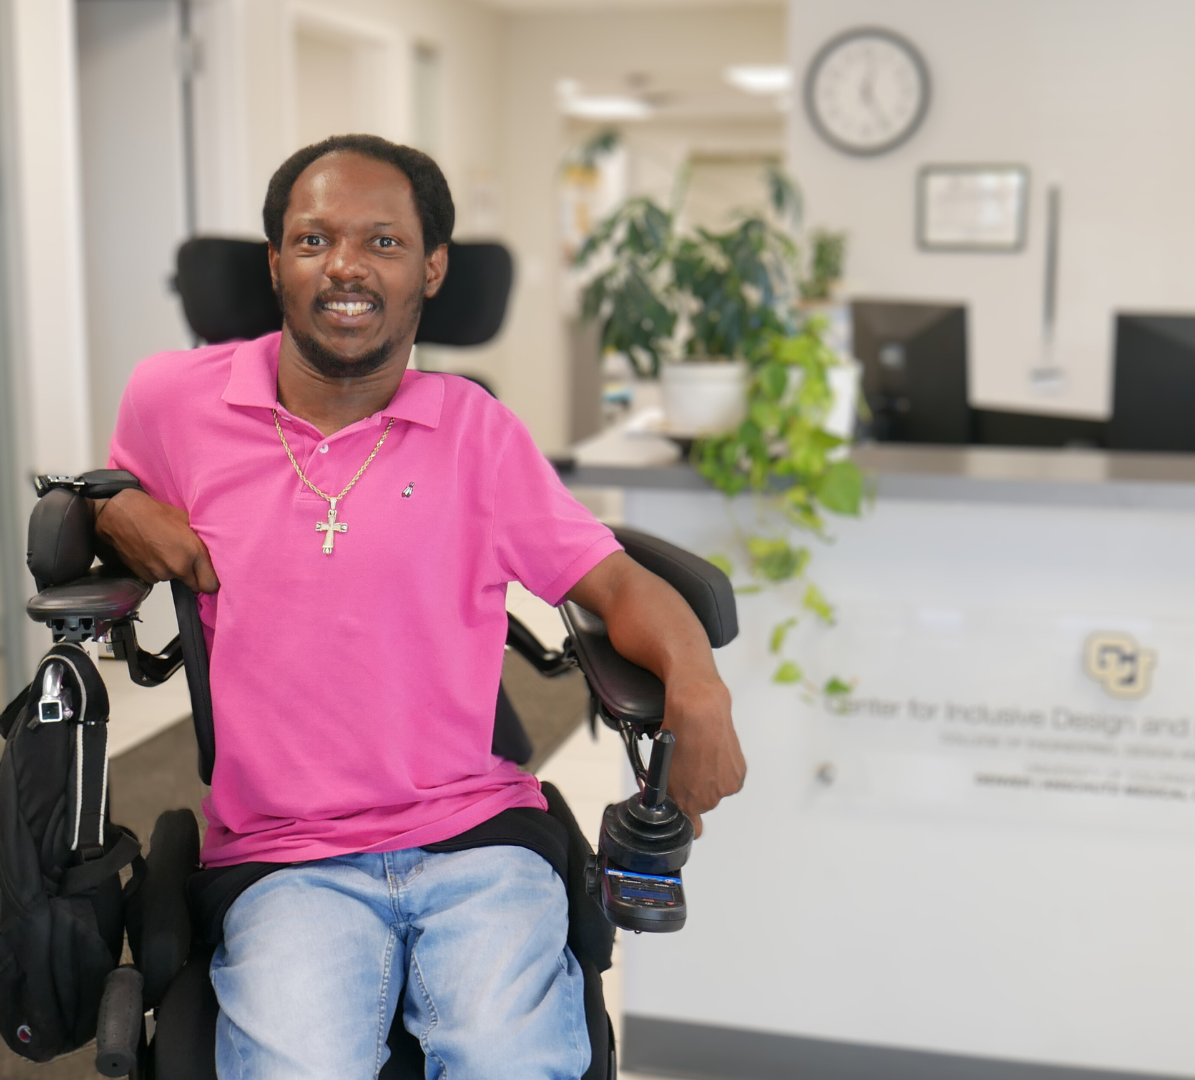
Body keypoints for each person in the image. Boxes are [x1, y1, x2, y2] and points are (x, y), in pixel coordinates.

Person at [92, 133, 746, 1079]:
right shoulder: (174, 400)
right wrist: (112, 507)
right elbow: (98, 494)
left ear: (431, 269)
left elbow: (616, 584)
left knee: (509, 1060)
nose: (345, 266)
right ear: (275, 262)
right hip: (285, 855)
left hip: (477, 840)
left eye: (384, 242)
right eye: (313, 239)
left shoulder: (478, 433)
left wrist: (698, 689)